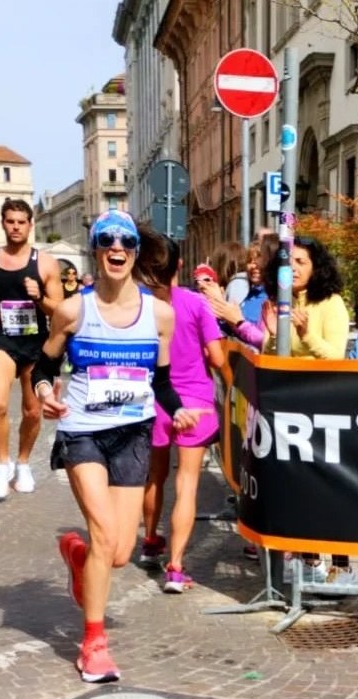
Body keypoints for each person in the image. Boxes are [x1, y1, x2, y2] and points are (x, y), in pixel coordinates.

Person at [32, 209, 202, 683]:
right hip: (82, 431)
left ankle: (78, 556)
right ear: (95, 250)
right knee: (105, 533)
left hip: (134, 433)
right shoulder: (72, 311)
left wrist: (179, 409)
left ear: (135, 252)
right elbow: (42, 371)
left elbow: (162, 383)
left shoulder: (160, 316)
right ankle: (94, 645)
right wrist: (47, 396)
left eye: (125, 242)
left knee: (121, 551)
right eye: (106, 241)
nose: (116, 249)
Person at [135, 227, 224, 592]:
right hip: (196, 401)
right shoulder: (196, 303)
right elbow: (217, 357)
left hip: (154, 400)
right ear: (181, 265)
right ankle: (175, 567)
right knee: (187, 486)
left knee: (154, 477)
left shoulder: (141, 306)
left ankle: (151, 541)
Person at [262, 236, 353, 584]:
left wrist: (305, 332)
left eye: (301, 261)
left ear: (316, 268)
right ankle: (308, 559)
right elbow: (276, 360)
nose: (294, 268)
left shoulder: (329, 303)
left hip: (327, 410)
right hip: (292, 414)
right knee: (300, 486)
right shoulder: (281, 303)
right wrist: (272, 336)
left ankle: (341, 563)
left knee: (329, 488)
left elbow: (335, 357)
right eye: (289, 262)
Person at [0, 198, 63, 500]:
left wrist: (38, 298)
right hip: (0, 339)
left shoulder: (45, 263)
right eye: (11, 221)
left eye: (21, 222)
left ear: (30, 224)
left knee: (32, 411)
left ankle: (23, 463)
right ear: (3, 223)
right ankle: (1, 464)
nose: (16, 227)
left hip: (36, 344)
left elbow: (58, 310)